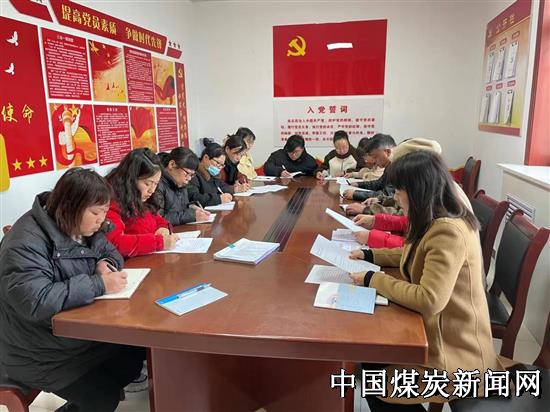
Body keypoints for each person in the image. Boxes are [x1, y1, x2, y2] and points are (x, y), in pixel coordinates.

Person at [349, 151, 503, 410]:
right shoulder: (434, 219)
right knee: (372, 358)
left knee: (375, 379)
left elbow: (429, 299)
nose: (396, 196)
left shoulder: (448, 231)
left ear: (417, 191)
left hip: (453, 353)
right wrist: (370, 254)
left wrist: (372, 279)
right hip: (438, 334)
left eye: (400, 190)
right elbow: (413, 253)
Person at [0, 168, 144, 412]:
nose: (101, 220)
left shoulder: (82, 227)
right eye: (95, 213)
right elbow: (35, 301)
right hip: (36, 351)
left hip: (73, 338)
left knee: (133, 356)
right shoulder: (24, 243)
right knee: (102, 399)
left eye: (105, 212)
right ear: (69, 206)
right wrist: (98, 284)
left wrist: (105, 264)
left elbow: (111, 252)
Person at [105, 148, 179, 258]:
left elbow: (157, 218)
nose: (152, 190)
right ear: (130, 179)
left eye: (156, 184)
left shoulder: (140, 196)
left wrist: (163, 228)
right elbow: (116, 243)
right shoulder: (110, 199)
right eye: (147, 183)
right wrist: (159, 242)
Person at [157, 147, 211, 226]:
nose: (189, 178)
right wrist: (192, 215)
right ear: (172, 164)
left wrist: (191, 206)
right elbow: (159, 219)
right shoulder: (157, 184)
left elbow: (181, 208)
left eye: (192, 175)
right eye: (187, 173)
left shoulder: (180, 183)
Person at [342, 133, 396, 201]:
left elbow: (387, 194)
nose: (375, 161)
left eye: (376, 157)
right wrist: (358, 184)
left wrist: (356, 194)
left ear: (388, 152)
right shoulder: (390, 165)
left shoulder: (399, 167)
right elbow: (379, 184)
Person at [188, 141, 234, 206]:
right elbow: (194, 197)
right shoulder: (193, 174)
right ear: (206, 158)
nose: (219, 167)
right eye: (217, 163)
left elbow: (223, 187)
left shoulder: (214, 175)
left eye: (222, 165)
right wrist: (218, 199)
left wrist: (230, 192)